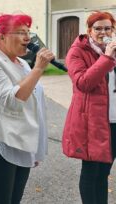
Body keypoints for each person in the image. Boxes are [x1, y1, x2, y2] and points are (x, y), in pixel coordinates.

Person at [0, 13, 54, 204]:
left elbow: (35, 102)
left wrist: (35, 148)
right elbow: (14, 100)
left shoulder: (22, 63)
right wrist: (38, 69)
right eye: (20, 32)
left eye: (28, 32)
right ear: (1, 37)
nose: (27, 38)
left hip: (21, 142)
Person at [62, 11, 116, 204]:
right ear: (89, 31)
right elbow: (83, 83)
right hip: (92, 121)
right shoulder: (78, 51)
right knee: (91, 172)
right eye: (98, 28)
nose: (103, 32)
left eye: (107, 28)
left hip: (113, 121)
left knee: (104, 173)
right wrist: (107, 57)